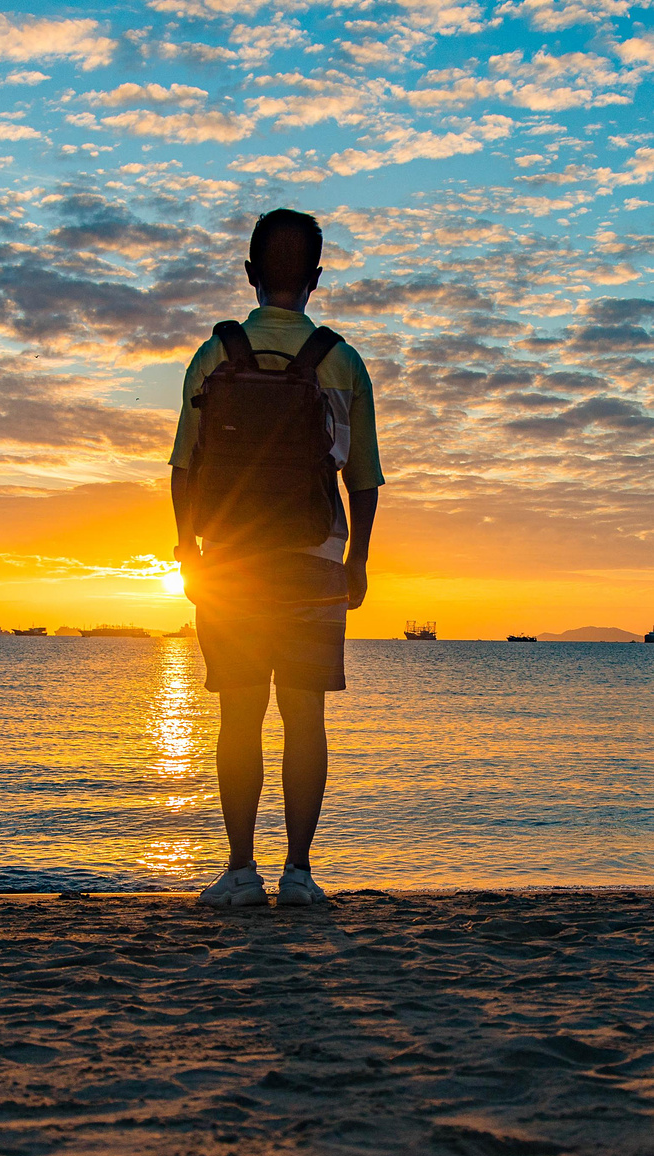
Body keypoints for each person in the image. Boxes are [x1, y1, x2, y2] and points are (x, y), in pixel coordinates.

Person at [169, 208, 383, 906]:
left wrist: (187, 550)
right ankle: (298, 873)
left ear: (251, 274)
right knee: (304, 716)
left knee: (239, 715)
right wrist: (357, 563)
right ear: (316, 279)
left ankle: (237, 872)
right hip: (315, 556)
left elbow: (183, 468)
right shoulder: (343, 361)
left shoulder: (214, 355)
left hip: (230, 559)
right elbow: (363, 478)